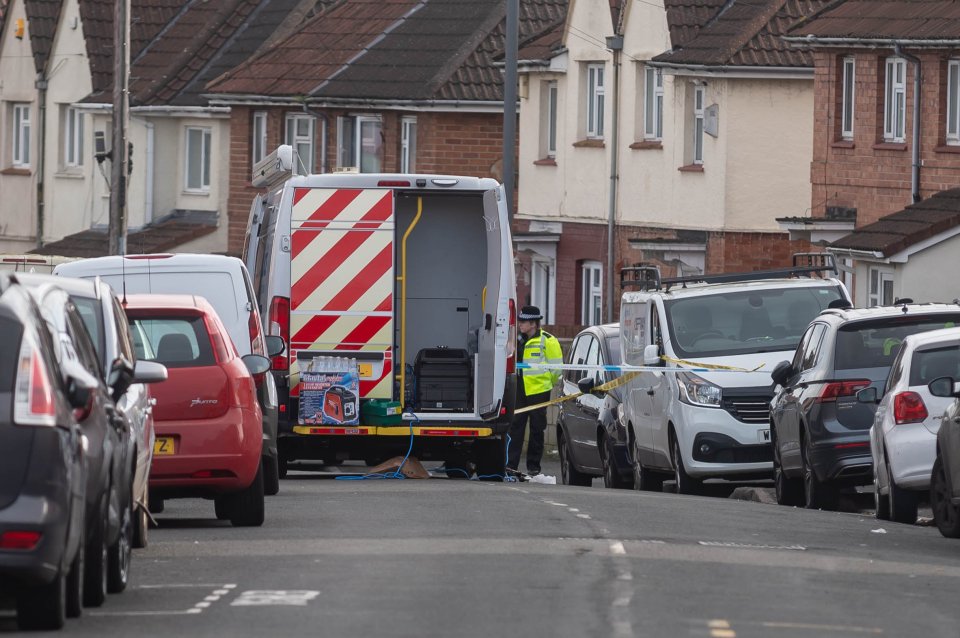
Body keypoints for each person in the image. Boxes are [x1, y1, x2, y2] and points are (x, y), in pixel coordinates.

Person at [507, 305, 563, 476]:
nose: (520, 324)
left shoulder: (548, 340)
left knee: (537, 430)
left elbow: (557, 369)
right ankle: (511, 466)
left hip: (539, 391)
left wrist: (547, 384)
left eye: (523, 321)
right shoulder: (518, 340)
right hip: (520, 389)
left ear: (533, 323)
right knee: (515, 427)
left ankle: (533, 467)